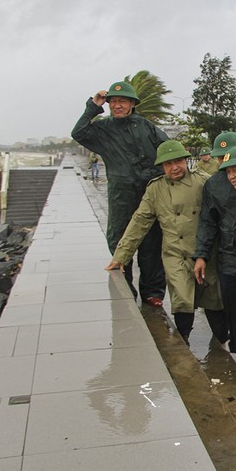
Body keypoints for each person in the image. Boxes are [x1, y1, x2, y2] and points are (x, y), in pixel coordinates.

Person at [106, 140, 226, 344]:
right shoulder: (155, 189)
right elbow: (139, 222)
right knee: (181, 299)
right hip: (175, 253)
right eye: (168, 164)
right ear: (162, 167)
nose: (174, 167)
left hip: (206, 253)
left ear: (186, 160)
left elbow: (224, 215)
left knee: (213, 300)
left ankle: (221, 341)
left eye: (178, 161)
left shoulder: (205, 182)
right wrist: (121, 256)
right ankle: (184, 339)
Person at [72, 81, 167, 306]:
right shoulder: (103, 129)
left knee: (151, 243)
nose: (117, 105)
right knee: (118, 239)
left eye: (122, 101)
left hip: (148, 193)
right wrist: (93, 106)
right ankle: (125, 287)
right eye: (113, 101)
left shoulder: (147, 127)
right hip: (120, 193)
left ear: (132, 104)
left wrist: (153, 174)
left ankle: (152, 292)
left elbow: (167, 151)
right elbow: (79, 132)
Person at [193, 132, 236, 374]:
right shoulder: (213, 184)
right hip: (229, 257)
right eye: (221, 159)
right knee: (235, 309)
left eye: (231, 160)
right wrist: (201, 255)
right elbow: (207, 222)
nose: (225, 164)